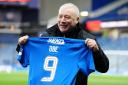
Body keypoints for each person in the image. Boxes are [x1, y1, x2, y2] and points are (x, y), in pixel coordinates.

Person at [16, 3, 109, 85]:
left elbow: (104, 68)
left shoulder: (86, 41)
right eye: (60, 16)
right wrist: (21, 45)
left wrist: (96, 50)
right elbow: (25, 59)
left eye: (67, 17)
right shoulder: (45, 38)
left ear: (77, 20)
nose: (62, 20)